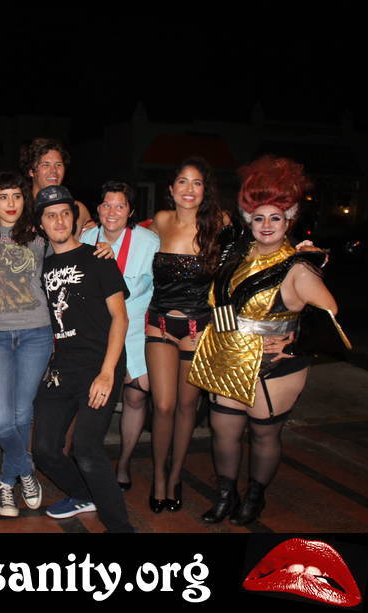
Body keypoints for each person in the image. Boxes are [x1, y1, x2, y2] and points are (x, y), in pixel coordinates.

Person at [188, 156, 335, 525]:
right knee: (224, 432)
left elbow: (331, 318)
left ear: (289, 221)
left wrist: (295, 345)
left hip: (274, 366)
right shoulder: (236, 256)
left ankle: (255, 497)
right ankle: (226, 496)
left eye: (275, 218)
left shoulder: (299, 266)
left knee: (263, 435)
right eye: (259, 218)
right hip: (227, 355)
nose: (266, 225)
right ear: (248, 221)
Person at [32, 185, 134, 533]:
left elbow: (120, 318)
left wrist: (107, 373)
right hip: (61, 367)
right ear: (41, 224)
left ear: (74, 219)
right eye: (51, 215)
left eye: (65, 213)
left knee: (87, 448)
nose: (59, 221)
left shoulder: (98, 258)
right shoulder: (41, 267)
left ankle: (120, 527)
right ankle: (83, 494)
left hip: (99, 364)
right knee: (44, 450)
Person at [145, 157, 229, 513]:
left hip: (198, 328)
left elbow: (254, 251)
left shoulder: (220, 223)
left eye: (197, 182)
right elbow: (126, 240)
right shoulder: (161, 220)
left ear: (205, 190)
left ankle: (175, 476)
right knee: (162, 405)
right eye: (183, 181)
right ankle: (158, 479)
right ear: (171, 188)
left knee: (186, 408)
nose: (189, 189)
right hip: (160, 323)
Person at [0, 170, 53, 517]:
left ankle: (7, 483)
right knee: (1, 419)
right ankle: (26, 469)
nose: (11, 203)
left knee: (23, 413)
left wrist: (101, 246)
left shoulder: (39, 236)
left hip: (35, 332)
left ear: (26, 199)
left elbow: (69, 257)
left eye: (17, 196)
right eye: (3, 196)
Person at [80, 181, 160, 491]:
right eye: (106, 205)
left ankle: (124, 462)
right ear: (98, 208)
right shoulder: (85, 239)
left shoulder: (149, 242)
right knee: (93, 396)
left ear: (131, 211)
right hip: (98, 330)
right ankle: (90, 459)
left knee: (136, 396)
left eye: (120, 206)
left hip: (137, 327)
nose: (112, 212)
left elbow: (161, 289)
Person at [19, 138, 95, 235]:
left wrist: (96, 235)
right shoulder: (18, 208)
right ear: (31, 171)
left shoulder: (77, 209)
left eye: (58, 165)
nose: (54, 171)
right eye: (46, 165)